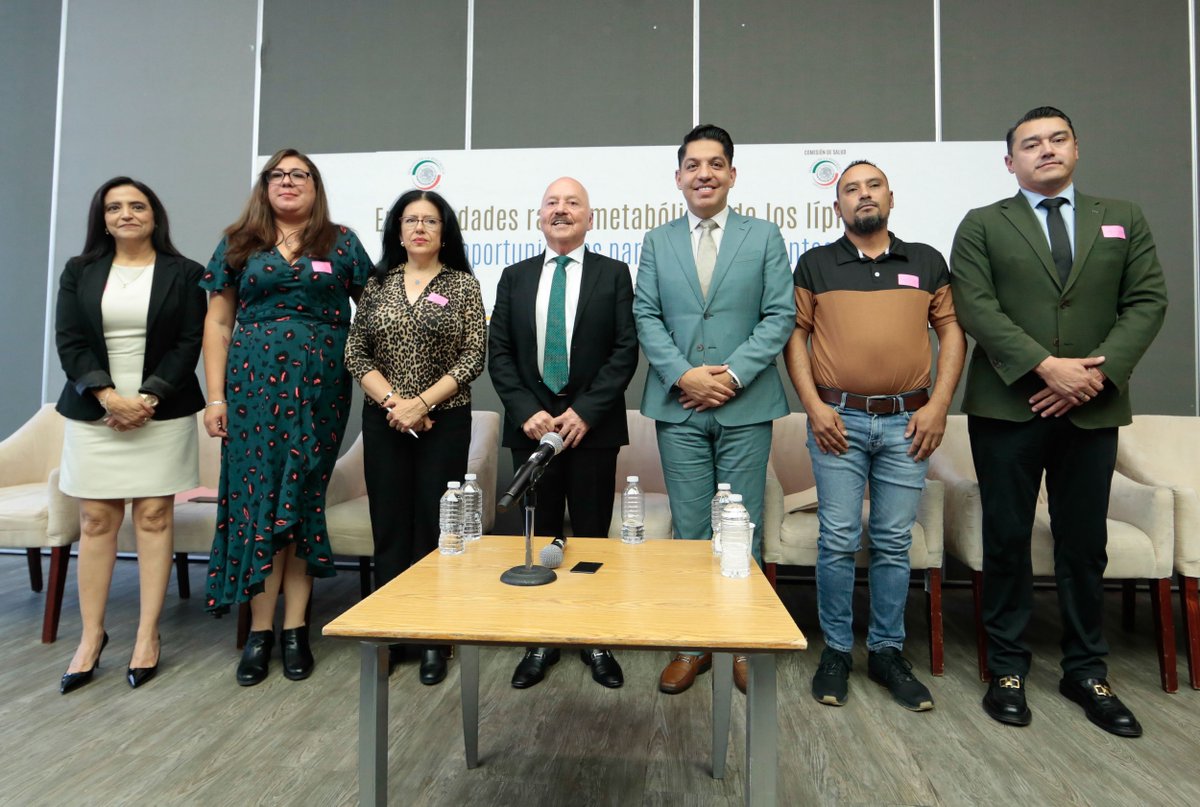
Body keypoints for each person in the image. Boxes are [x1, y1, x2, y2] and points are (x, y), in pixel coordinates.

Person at [950, 106, 1167, 737]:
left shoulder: (1122, 218)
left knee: (1084, 542)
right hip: (1007, 408)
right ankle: (1007, 668)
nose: (1045, 149)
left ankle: (1087, 670)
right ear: (1009, 160)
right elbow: (976, 306)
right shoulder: (983, 224)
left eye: (1057, 139)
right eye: (1031, 143)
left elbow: (1147, 301)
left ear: (1076, 148)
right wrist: (1047, 368)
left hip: (1093, 409)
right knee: (1007, 538)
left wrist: (1092, 376)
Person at [784, 160, 965, 711]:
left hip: (909, 423)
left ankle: (887, 652)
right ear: (837, 204)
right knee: (838, 538)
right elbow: (795, 336)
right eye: (851, 189)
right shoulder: (815, 264)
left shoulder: (926, 261)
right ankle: (837, 651)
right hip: (837, 421)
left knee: (892, 540)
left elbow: (951, 331)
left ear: (890, 197)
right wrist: (813, 407)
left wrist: (939, 407)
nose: (863, 195)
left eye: (873, 186)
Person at [201, 149, 372, 686]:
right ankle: (260, 633)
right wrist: (215, 398)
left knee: (301, 500)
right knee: (259, 501)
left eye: (300, 175)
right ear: (265, 186)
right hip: (251, 390)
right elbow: (218, 323)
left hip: (322, 390)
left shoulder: (341, 241)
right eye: (278, 175)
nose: (288, 182)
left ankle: (296, 628)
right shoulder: (237, 242)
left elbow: (373, 314)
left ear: (316, 187)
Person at [633, 124, 794, 695]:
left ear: (732, 174)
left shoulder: (764, 236)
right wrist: (684, 375)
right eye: (693, 165)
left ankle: (739, 643)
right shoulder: (657, 241)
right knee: (691, 530)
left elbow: (779, 315)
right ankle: (692, 643)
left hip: (744, 403)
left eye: (716, 164)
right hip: (677, 405)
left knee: (740, 526)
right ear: (678, 177)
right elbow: (646, 315)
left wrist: (731, 375)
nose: (705, 174)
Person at [55, 176, 206, 693]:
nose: (126, 214)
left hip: (160, 411)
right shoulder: (79, 271)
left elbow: (188, 343)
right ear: (102, 219)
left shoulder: (186, 273)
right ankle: (90, 637)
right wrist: (107, 397)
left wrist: (147, 399)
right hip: (94, 412)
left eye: (137, 206)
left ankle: (147, 635)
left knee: (154, 517)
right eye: (114, 207)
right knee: (96, 520)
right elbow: (70, 341)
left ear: (154, 215)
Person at [489, 177, 638, 690]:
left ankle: (595, 638)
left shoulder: (614, 274)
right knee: (540, 538)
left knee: (593, 538)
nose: (561, 210)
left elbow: (625, 350)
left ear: (589, 218)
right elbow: (499, 353)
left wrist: (585, 412)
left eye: (572, 203)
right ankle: (541, 638)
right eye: (552, 202)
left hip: (591, 431)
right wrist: (526, 411)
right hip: (532, 431)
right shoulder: (514, 276)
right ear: (539, 217)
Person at [345, 189, 486, 686]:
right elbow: (356, 352)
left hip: (444, 423)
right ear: (398, 231)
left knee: (435, 530)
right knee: (389, 530)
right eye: (411, 220)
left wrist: (421, 404)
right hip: (385, 423)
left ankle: (432, 638)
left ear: (444, 232)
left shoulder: (462, 285)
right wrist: (396, 406)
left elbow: (473, 356)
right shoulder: (377, 284)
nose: (420, 228)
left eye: (430, 221)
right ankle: (391, 632)